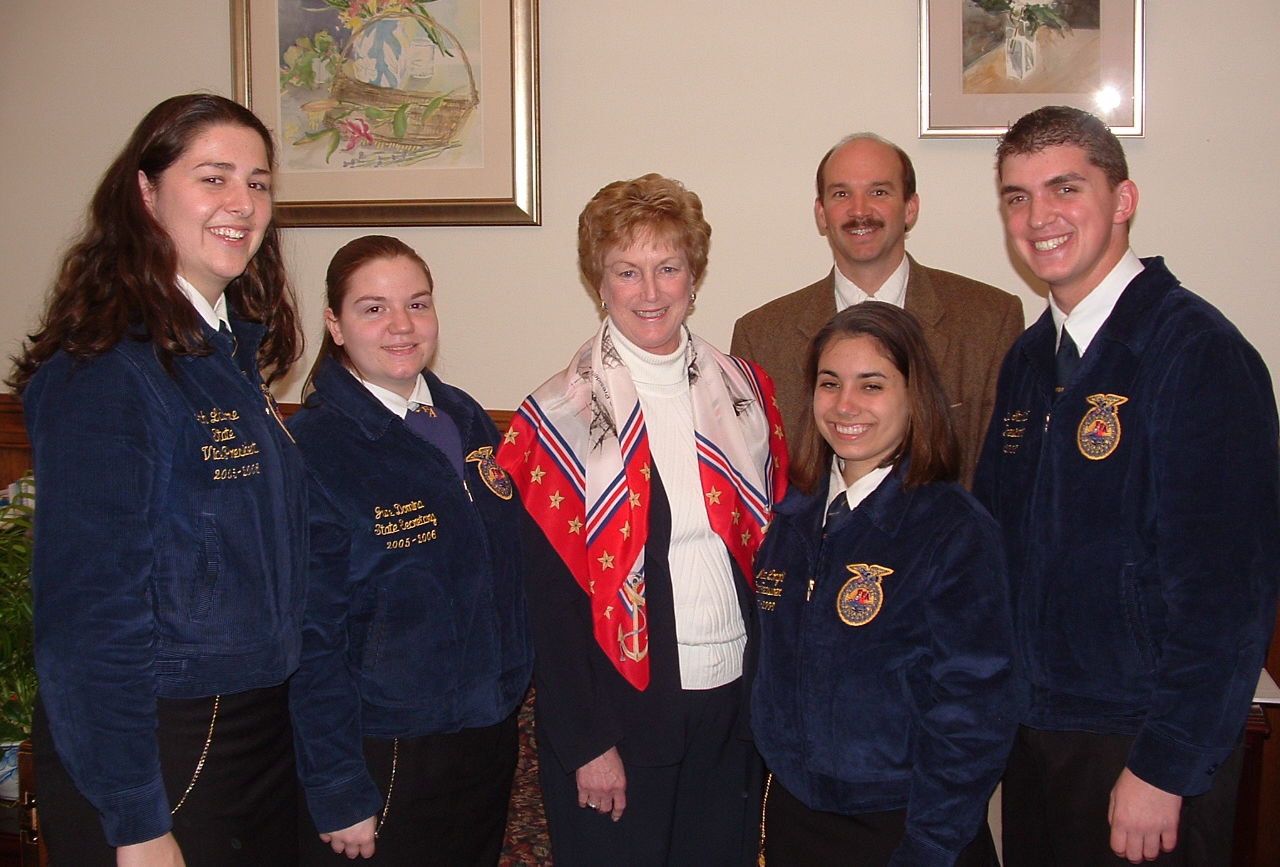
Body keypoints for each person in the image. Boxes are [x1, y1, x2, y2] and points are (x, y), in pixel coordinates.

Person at [974, 105, 1280, 866]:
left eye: (1064, 188)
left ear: (1124, 201)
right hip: (1036, 733)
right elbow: (993, 547)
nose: (1039, 217)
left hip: (1141, 746)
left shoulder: (1196, 352)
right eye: (1017, 196)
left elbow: (1228, 594)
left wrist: (1165, 765)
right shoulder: (1027, 360)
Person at [9, 93, 306, 865]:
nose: (242, 203)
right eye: (214, 178)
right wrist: (135, 821)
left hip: (251, 734)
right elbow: (86, 623)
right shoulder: (106, 369)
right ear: (145, 192)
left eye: (259, 182)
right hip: (158, 748)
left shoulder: (224, 357)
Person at [498, 174, 789, 867]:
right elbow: (552, 608)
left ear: (695, 274)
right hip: (623, 717)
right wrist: (587, 740)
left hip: (734, 702)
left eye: (669, 267)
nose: (651, 291)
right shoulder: (558, 419)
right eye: (627, 271)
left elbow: (769, 552)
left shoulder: (746, 391)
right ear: (598, 282)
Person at [287, 235, 533, 865]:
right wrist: (338, 785)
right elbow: (311, 638)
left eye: (417, 304)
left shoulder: (466, 417)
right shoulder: (314, 448)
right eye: (373, 309)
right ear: (335, 326)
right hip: (387, 747)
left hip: (485, 733)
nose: (401, 326)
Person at [751, 302, 1016, 867]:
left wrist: (930, 844)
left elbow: (974, 713)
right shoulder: (790, 521)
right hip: (799, 817)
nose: (845, 405)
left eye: (871, 385)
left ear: (912, 396)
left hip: (908, 826)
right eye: (830, 384)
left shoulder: (953, 531)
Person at [731, 133, 1024, 487]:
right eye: (841, 194)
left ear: (910, 207)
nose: (859, 211)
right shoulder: (760, 337)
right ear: (821, 212)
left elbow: (1006, 477)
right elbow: (752, 485)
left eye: (879, 192)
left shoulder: (989, 321)